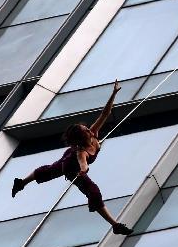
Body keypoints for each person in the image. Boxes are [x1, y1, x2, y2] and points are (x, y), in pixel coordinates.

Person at [11, 80, 133, 235]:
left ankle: (21, 182)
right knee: (89, 189)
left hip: (71, 158)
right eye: (85, 130)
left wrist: (114, 93)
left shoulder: (93, 133)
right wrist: (83, 171)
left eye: (86, 128)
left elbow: (105, 113)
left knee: (54, 170)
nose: (89, 128)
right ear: (83, 137)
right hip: (71, 166)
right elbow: (83, 164)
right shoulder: (81, 151)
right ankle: (116, 225)